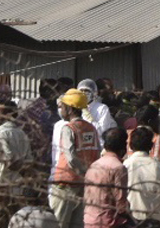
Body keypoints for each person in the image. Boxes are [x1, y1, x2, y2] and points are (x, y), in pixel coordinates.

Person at [50, 89, 102, 228]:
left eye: (62, 107)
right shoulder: (91, 128)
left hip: (65, 182)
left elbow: (71, 158)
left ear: (70, 108)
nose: (61, 110)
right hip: (83, 184)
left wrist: (81, 171)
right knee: (77, 224)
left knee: (58, 223)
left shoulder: (69, 128)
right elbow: (96, 153)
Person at [82, 125, 131, 228]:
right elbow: (121, 204)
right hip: (109, 222)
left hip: (89, 220)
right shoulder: (118, 168)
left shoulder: (94, 165)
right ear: (123, 146)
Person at [126, 126, 160, 228]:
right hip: (154, 220)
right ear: (151, 146)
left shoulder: (125, 166)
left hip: (131, 219)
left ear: (130, 145)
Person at [78, 81, 117, 146]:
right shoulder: (76, 108)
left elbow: (102, 131)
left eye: (86, 91)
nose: (83, 93)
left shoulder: (102, 108)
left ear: (94, 93)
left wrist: (90, 119)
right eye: (81, 90)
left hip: (98, 146)